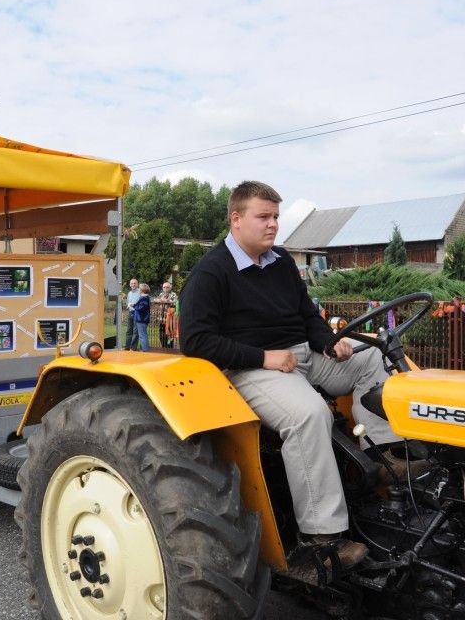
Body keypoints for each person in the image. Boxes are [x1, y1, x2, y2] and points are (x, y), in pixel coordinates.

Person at [181, 180, 395, 578]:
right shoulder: (212, 272)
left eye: (276, 217)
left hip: (303, 355)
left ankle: (382, 460)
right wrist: (263, 357)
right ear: (236, 219)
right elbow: (196, 341)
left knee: (373, 360)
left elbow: (306, 316)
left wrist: (330, 343)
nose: (273, 225)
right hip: (250, 369)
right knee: (309, 414)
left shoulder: (279, 262)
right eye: (263, 217)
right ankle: (323, 539)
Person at [153, 281, 178, 346]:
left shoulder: (173, 294)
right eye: (164, 287)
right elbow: (155, 300)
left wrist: (166, 301)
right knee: (161, 336)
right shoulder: (161, 294)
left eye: (167, 287)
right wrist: (160, 300)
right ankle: (163, 348)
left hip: (170, 320)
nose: (165, 288)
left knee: (170, 335)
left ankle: (170, 350)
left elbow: (175, 302)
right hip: (161, 319)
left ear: (170, 287)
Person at [134, 283, 151, 352]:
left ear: (142, 290)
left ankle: (145, 350)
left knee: (142, 335)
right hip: (142, 318)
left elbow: (141, 308)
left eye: (139, 288)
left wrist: (134, 306)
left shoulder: (144, 298)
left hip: (141, 319)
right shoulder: (145, 298)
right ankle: (144, 349)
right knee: (143, 334)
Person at [124, 278, 140, 350]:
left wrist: (133, 305)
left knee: (135, 331)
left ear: (137, 284)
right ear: (130, 285)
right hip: (130, 313)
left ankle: (133, 348)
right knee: (129, 331)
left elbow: (140, 303)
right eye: (132, 283)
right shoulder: (129, 293)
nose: (133, 284)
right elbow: (128, 303)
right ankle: (127, 347)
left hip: (137, 313)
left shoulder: (140, 292)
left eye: (135, 283)